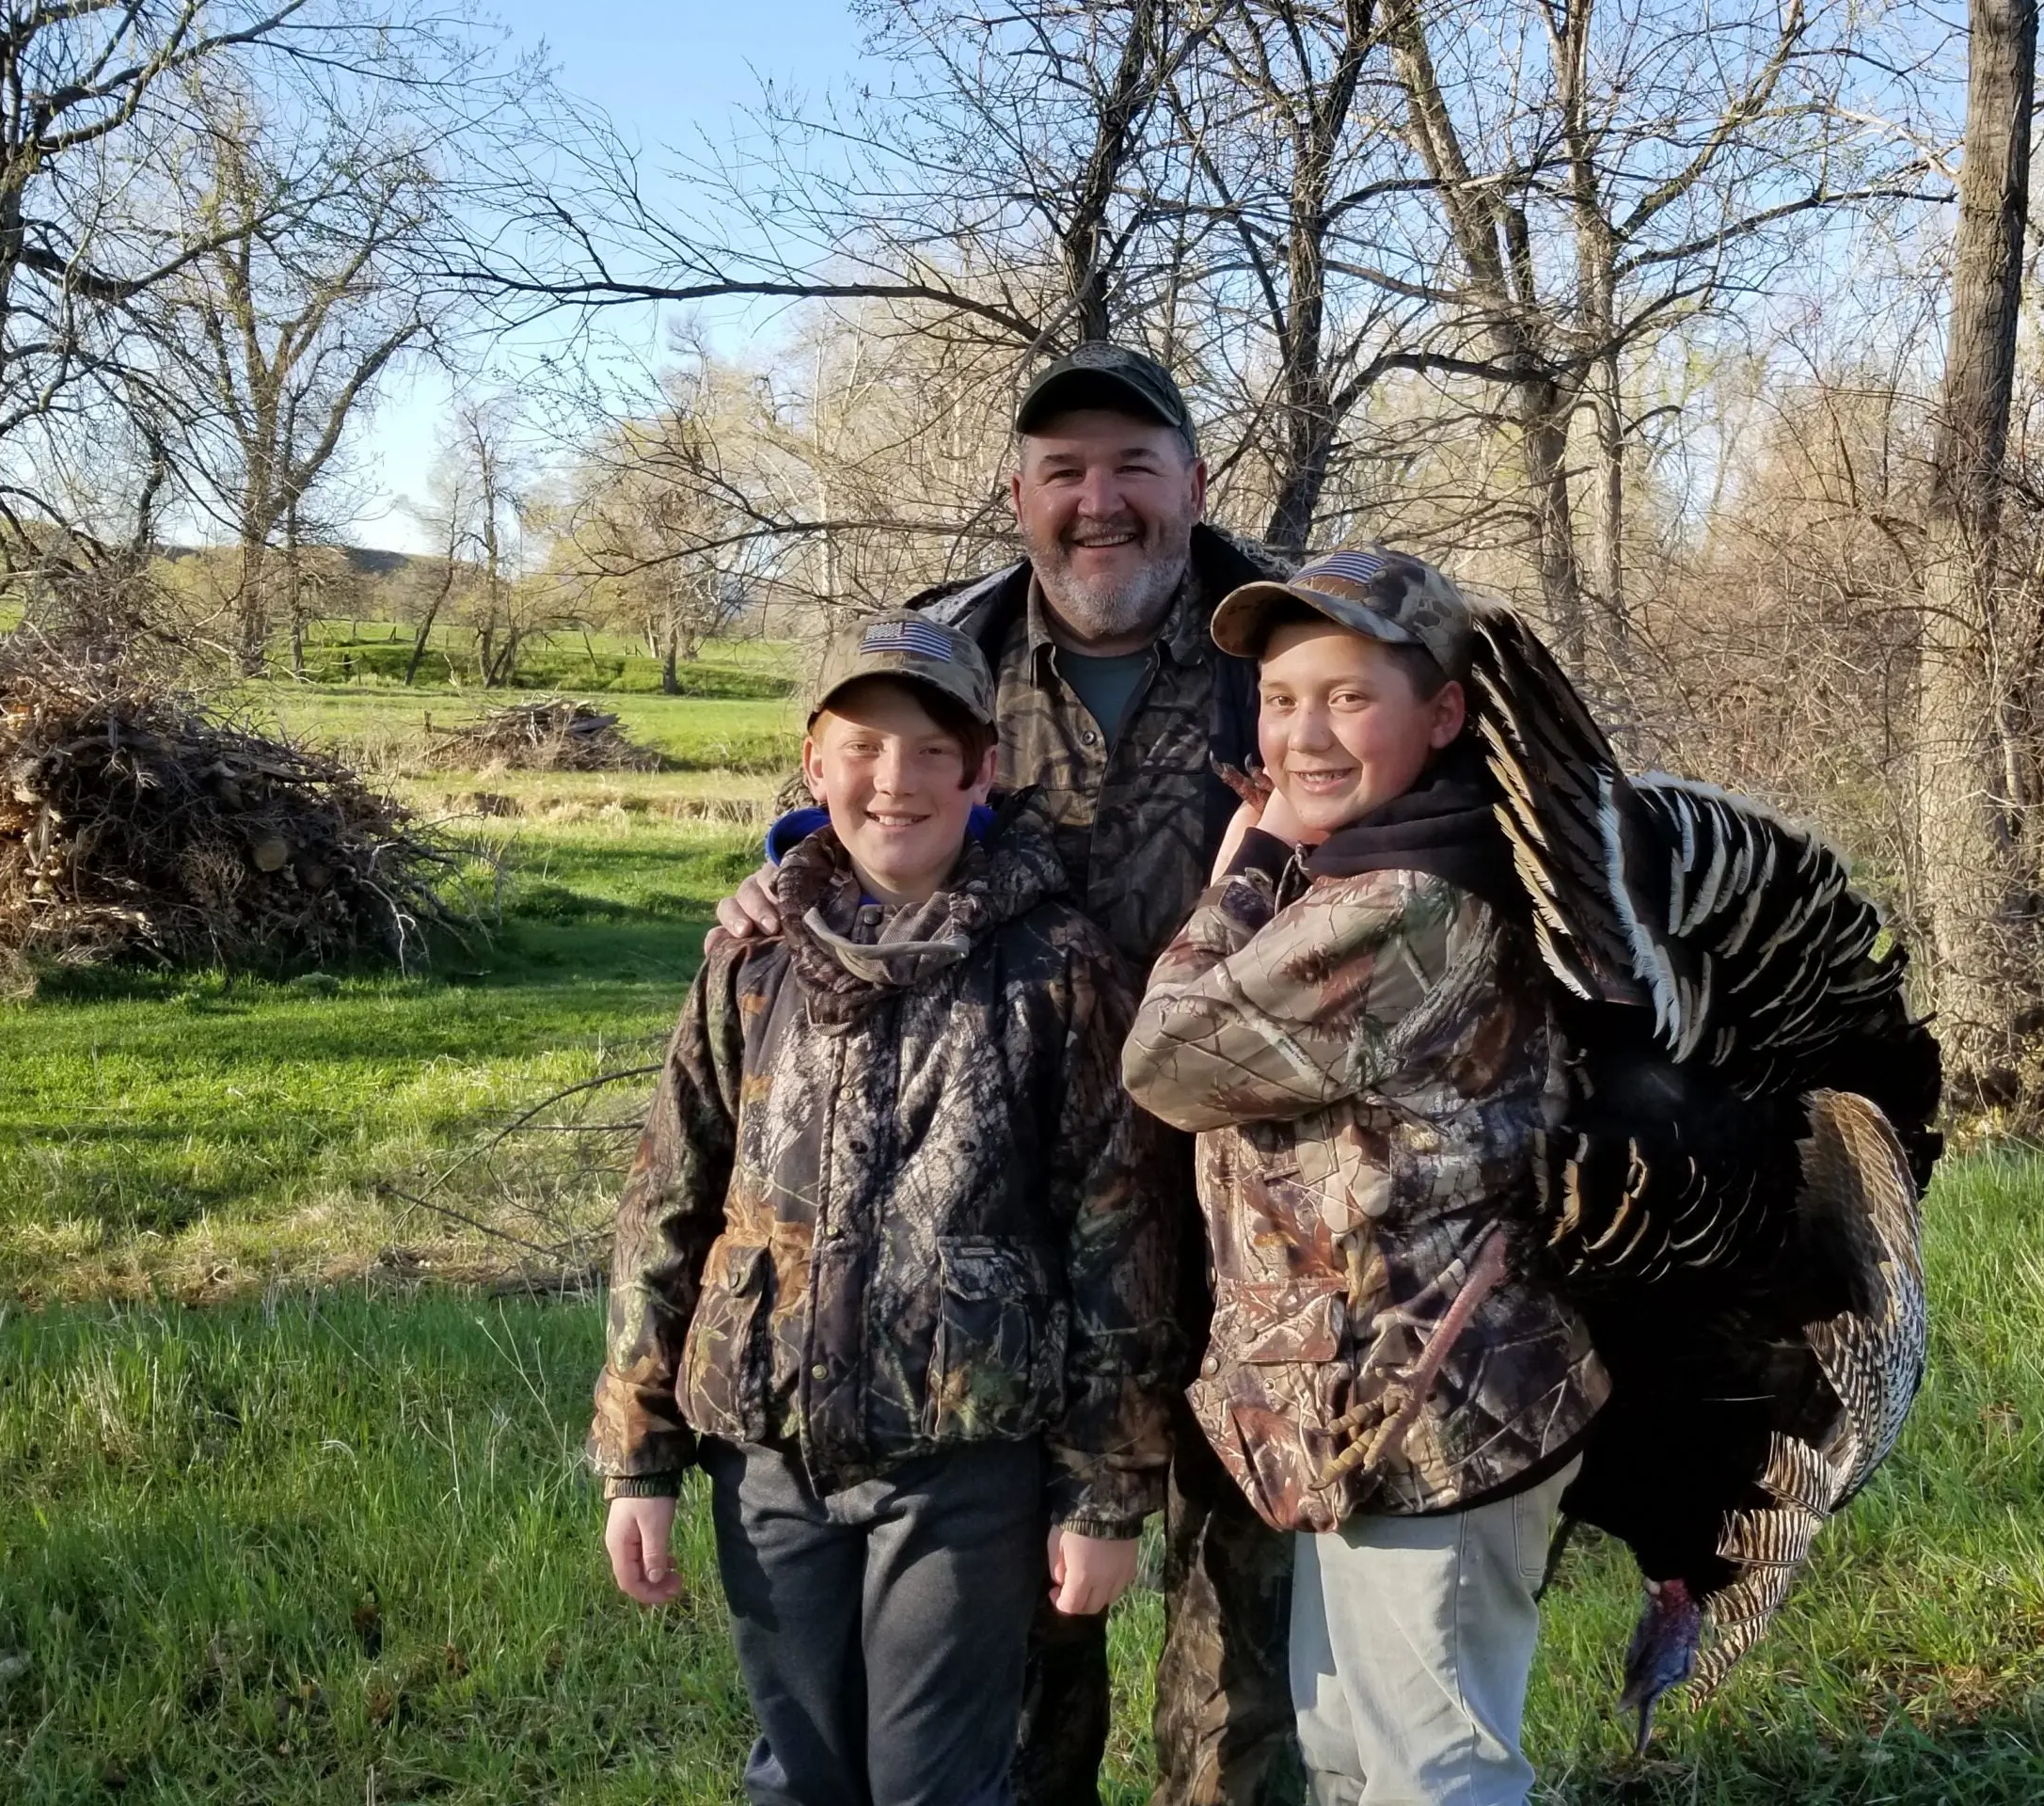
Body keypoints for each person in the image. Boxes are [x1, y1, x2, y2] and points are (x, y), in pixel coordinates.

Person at [711, 343, 1304, 1806]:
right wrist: (775, 881)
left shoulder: (1285, 651)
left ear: (1195, 483)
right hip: (1010, 1242)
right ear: (1019, 493)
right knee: (1022, 1670)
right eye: (1063, 473)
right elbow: (853, 814)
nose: (1098, 504)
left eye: (1132, 468)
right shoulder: (952, 644)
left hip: (1251, 1216)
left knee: (1245, 1668)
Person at [594, 610, 1175, 1806]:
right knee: (796, 1776)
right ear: (813, 763)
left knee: (936, 1785)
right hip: (764, 1453)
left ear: (983, 772)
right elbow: (667, 1206)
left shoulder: (1058, 967)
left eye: (928, 750)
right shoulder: (749, 961)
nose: (892, 781)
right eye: (860, 746)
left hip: (962, 1470)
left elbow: (1118, 1243)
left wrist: (1103, 1493)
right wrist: (639, 1456)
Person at [1120, 548, 1610, 1805]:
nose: (1302, 734)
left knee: (1438, 1773)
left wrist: (1249, 861)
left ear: (1443, 714)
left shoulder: (1408, 900)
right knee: (1349, 1757)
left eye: (1349, 697)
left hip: (1434, 1414)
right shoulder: (1396, 860)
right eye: (1281, 700)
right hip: (1368, 1413)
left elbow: (1169, 1061)